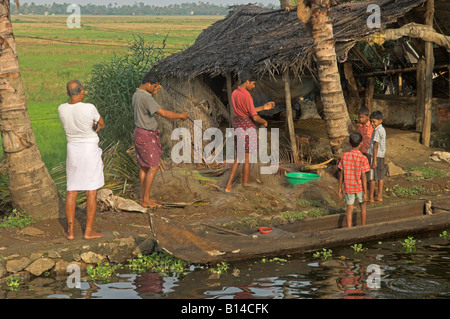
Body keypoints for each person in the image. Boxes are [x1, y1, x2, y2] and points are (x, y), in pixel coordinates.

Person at [133, 70, 188, 208]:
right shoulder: (146, 98)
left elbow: (147, 104)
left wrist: (152, 93)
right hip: (147, 135)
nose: (156, 88)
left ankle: (143, 198)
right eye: (154, 86)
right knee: (154, 166)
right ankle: (146, 200)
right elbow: (163, 113)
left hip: (139, 132)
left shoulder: (137, 94)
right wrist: (180, 116)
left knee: (144, 167)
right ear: (147, 84)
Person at [58, 80, 105, 240]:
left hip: (73, 150)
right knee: (91, 190)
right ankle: (88, 231)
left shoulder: (61, 108)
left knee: (72, 190)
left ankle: (70, 232)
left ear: (67, 93)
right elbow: (101, 123)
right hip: (89, 149)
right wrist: (96, 126)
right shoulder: (89, 107)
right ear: (82, 91)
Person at [224, 70, 275, 193]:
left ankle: (229, 185)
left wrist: (263, 107)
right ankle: (244, 186)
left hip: (238, 126)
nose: (253, 86)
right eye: (252, 83)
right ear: (246, 82)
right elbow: (254, 117)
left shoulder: (235, 93)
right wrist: (264, 122)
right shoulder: (247, 95)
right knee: (246, 159)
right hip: (247, 128)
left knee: (239, 157)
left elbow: (247, 111)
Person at [338, 133, 371, 228]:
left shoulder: (344, 156)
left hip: (348, 186)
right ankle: (363, 226)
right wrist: (365, 192)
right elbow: (363, 176)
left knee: (349, 207)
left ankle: (349, 228)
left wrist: (340, 187)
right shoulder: (363, 158)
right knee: (363, 205)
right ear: (361, 143)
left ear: (349, 143)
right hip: (359, 186)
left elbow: (341, 173)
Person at [367, 110, 386, 202]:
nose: (372, 124)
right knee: (381, 177)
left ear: (380, 121)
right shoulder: (382, 130)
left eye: (374, 122)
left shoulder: (377, 131)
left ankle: (370, 197)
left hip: (375, 156)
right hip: (381, 156)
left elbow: (376, 146)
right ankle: (379, 196)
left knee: (373, 177)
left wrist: (374, 160)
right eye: (371, 121)